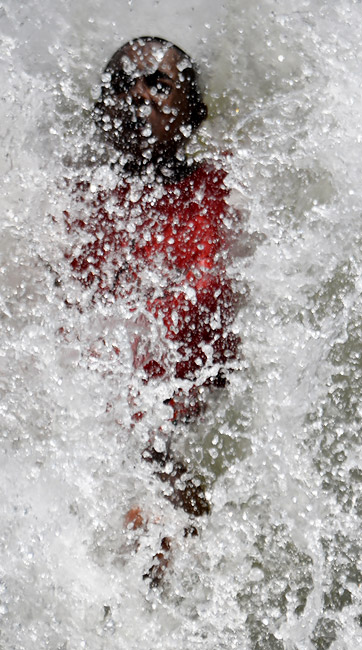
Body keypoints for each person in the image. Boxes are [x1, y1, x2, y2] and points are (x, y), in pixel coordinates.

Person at [64, 37, 239, 583]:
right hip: (113, 438)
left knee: (163, 506)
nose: (137, 94)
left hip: (206, 426)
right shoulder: (79, 206)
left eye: (157, 83)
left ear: (194, 108)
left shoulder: (228, 191)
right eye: (122, 86)